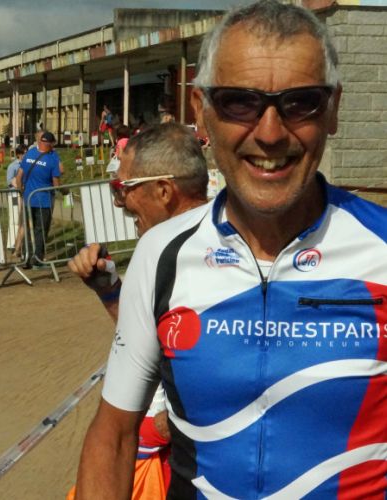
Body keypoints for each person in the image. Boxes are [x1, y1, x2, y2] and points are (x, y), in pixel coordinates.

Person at [74, 1, 387, 499]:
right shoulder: (161, 253)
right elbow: (112, 437)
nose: (269, 133)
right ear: (201, 110)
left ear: (332, 109)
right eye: (239, 102)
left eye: (301, 102)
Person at [69, 122, 209, 499]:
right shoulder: (155, 251)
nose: (119, 202)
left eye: (124, 187)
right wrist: (109, 291)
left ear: (164, 190)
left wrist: (163, 428)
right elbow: (155, 337)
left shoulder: (222, 255)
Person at [16, 131, 61, 269]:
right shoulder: (52, 158)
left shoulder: (29, 153)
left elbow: (19, 176)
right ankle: (37, 260)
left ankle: (26, 258)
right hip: (44, 201)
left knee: (28, 229)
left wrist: (22, 192)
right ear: (50, 144)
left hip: (28, 198)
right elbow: (56, 184)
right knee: (40, 230)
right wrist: (65, 191)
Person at [6, 144, 28, 257]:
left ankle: (20, 243)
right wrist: (18, 186)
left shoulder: (27, 164)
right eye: (24, 153)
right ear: (19, 154)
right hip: (14, 194)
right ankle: (11, 244)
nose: (26, 155)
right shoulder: (12, 166)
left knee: (21, 219)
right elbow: (9, 180)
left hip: (23, 194)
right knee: (14, 218)